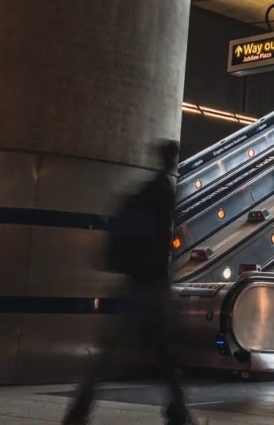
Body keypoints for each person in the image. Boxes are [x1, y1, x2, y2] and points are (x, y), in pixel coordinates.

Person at [65, 140, 190, 425]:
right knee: (162, 353)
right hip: (151, 287)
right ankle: (178, 411)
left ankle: (80, 409)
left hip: (134, 283)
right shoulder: (163, 192)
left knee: (116, 350)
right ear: (170, 160)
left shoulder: (145, 190)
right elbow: (162, 244)